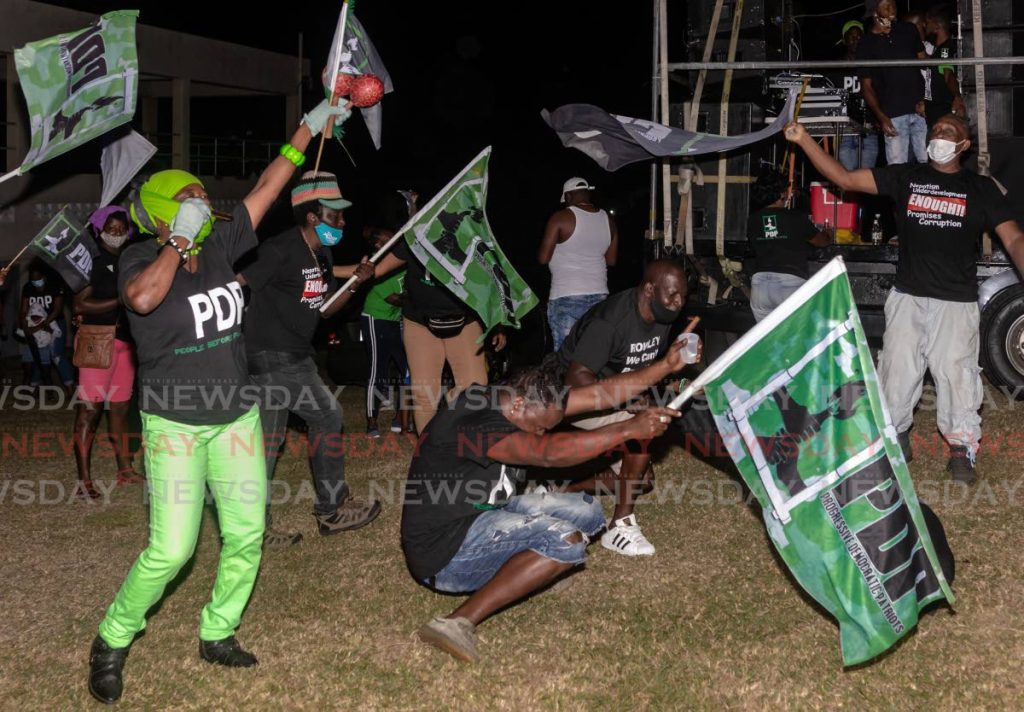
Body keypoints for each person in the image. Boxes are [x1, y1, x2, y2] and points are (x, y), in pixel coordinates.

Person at [87, 98, 351, 704]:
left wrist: (308, 126)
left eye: (202, 197)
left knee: (245, 535)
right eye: (188, 201)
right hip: (176, 425)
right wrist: (175, 245)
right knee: (172, 548)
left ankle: (218, 630)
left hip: (235, 418)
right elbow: (145, 300)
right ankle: (112, 637)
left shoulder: (226, 245)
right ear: (160, 216)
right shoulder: (138, 257)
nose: (201, 205)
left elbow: (267, 184)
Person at [784, 116, 1024, 485]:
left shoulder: (979, 188)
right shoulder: (907, 177)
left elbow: (1013, 240)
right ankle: (894, 439)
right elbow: (846, 179)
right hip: (908, 296)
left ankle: (962, 448)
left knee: (957, 373)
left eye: (950, 132)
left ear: (964, 146)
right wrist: (804, 141)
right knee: (896, 372)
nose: (940, 135)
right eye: (937, 130)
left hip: (956, 302)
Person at [402, 351, 686, 662]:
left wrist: (667, 365)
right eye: (539, 427)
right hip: (444, 555)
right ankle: (456, 623)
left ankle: (529, 574)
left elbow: (600, 393)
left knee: (587, 512)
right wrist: (627, 429)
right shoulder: (476, 423)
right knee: (565, 539)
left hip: (482, 514)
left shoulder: (520, 397)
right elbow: (547, 454)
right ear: (519, 406)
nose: (542, 432)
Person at [239, 170, 380, 548]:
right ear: (314, 216)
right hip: (270, 355)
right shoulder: (279, 248)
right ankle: (332, 510)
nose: (343, 222)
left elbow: (326, 309)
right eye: (336, 215)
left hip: (294, 354)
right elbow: (239, 283)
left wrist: (355, 282)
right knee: (327, 415)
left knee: (268, 444)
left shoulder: (321, 255)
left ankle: (254, 530)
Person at [556, 259, 700, 556]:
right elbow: (576, 383)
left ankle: (559, 492)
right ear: (649, 289)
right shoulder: (610, 322)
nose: (678, 303)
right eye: (672, 295)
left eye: (683, 297)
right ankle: (619, 526)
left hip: (615, 397)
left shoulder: (663, 316)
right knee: (646, 428)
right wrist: (630, 402)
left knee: (642, 481)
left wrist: (674, 367)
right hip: (571, 401)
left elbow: (641, 367)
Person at [334, 220, 507, 435]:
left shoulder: (471, 238)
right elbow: (376, 270)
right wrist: (330, 270)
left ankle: (454, 427)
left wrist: (497, 323)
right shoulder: (416, 237)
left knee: (475, 388)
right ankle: (428, 449)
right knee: (424, 393)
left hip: (464, 321)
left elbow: (491, 282)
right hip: (420, 323)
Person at [72, 206, 142, 500]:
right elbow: (79, 305)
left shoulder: (128, 258)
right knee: (89, 412)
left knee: (121, 408)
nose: (116, 234)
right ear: (99, 230)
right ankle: (84, 479)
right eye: (111, 229)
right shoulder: (91, 262)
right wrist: (120, 300)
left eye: (120, 229)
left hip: (126, 343)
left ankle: (124, 469)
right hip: (96, 342)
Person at [538, 177, 618, 351]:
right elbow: (611, 260)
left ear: (567, 197)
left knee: (565, 358)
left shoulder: (560, 218)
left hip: (567, 296)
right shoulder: (608, 220)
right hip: (600, 297)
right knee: (594, 356)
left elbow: (543, 258)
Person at [747, 172, 831, 322]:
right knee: (796, 340)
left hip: (759, 286)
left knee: (769, 340)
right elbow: (819, 241)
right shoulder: (796, 217)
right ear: (781, 194)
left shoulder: (752, 220)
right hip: (789, 284)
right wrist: (828, 234)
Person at [857, 0, 928, 165]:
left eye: (894, 5)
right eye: (886, 6)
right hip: (893, 115)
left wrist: (928, 100)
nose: (892, 9)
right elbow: (866, 87)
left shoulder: (908, 30)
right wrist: (881, 116)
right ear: (874, 11)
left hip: (921, 110)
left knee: (929, 164)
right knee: (898, 169)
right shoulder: (866, 43)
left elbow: (926, 64)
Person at [360, 218, 411, 437]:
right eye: (388, 240)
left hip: (396, 320)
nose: (393, 241)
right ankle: (371, 421)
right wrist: (418, 299)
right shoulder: (377, 265)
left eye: (394, 238)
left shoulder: (403, 259)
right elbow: (393, 298)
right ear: (378, 246)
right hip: (375, 318)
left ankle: (400, 417)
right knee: (377, 370)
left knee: (408, 369)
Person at [18, 262, 74, 389]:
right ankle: (34, 385)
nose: (35, 282)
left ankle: (70, 385)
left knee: (56, 355)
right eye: (33, 280)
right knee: (37, 354)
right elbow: (23, 309)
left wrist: (41, 326)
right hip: (33, 325)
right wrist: (25, 326)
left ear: (44, 277)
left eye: (38, 279)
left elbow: (57, 310)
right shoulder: (28, 287)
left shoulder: (55, 286)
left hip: (55, 323)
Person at [923, 6, 966, 127]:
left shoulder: (945, 50)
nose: (925, 25)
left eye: (927, 22)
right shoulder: (939, 49)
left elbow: (948, 74)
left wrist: (957, 97)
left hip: (941, 110)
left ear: (937, 26)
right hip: (934, 109)